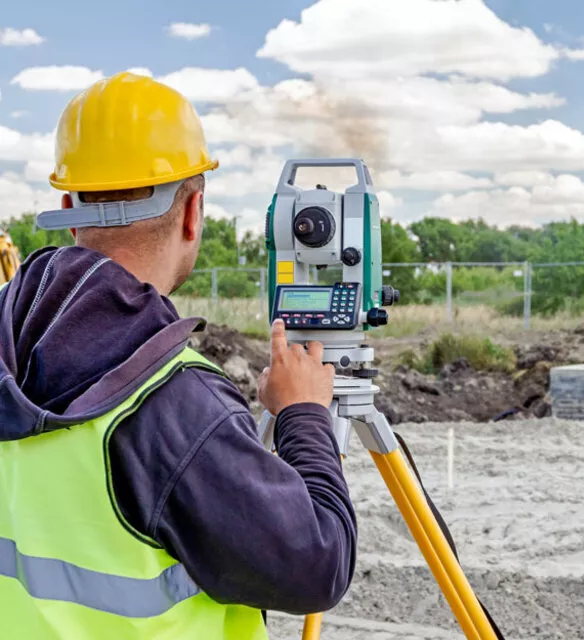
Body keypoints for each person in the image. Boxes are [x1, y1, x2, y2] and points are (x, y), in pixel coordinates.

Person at [0, 71, 357, 639]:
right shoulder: (173, 402)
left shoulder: (8, 344)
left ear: (68, 203)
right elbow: (317, 565)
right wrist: (304, 416)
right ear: (193, 212)